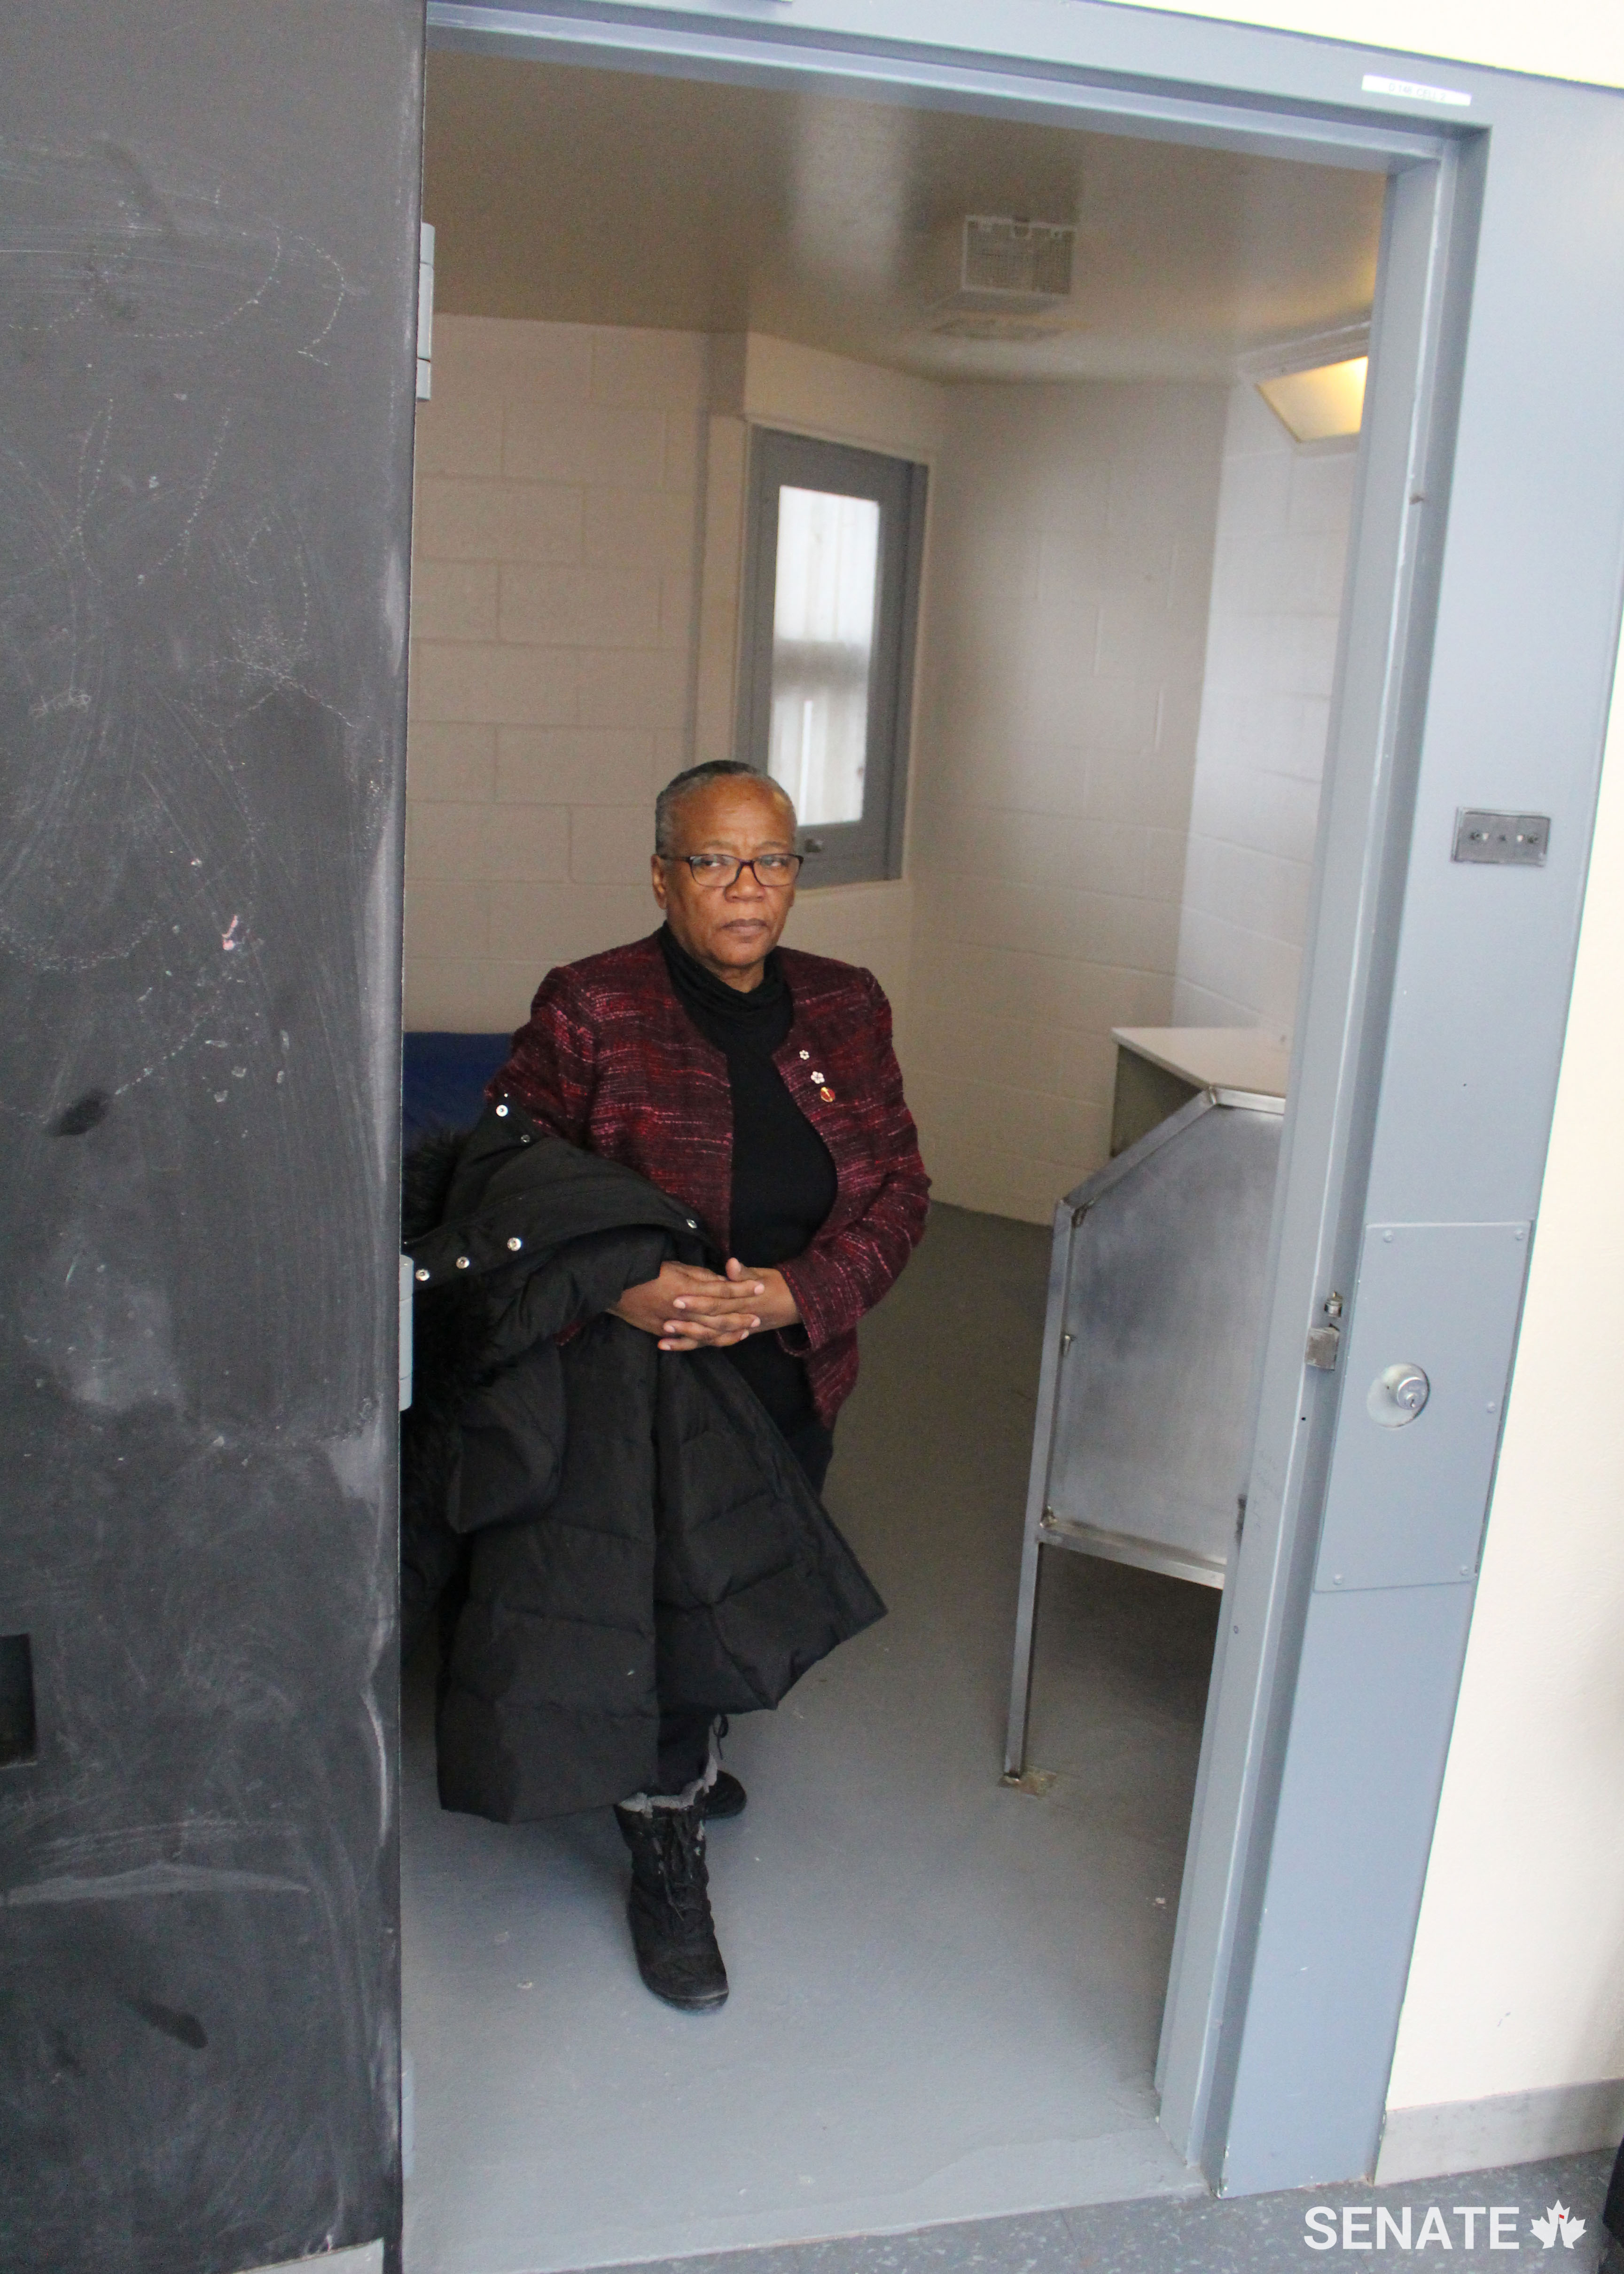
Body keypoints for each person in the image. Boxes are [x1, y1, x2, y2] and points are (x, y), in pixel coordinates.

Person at [402, 759, 929, 2011]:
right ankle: (667, 1835)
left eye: (774, 861)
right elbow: (508, 1172)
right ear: (662, 875)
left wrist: (797, 1293)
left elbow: (901, 1190)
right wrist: (631, 1279)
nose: (749, 889)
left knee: (736, 1583)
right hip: (638, 1387)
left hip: (793, 1366)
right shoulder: (592, 1005)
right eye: (714, 862)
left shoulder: (849, 1006)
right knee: (660, 1590)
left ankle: (677, 1751)